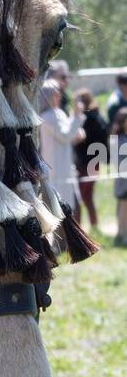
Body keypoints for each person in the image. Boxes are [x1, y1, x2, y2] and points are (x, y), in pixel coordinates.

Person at [38, 64, 84, 212]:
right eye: (56, 93)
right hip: (56, 167)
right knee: (61, 208)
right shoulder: (49, 116)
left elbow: (68, 132)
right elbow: (65, 135)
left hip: (63, 164)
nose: (59, 95)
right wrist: (76, 116)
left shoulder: (56, 114)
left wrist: (74, 120)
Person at [72, 89, 108, 230]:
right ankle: (94, 227)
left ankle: (78, 230)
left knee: (79, 197)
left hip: (87, 162)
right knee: (87, 197)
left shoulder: (88, 119)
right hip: (94, 161)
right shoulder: (96, 115)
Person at [114, 107, 127, 247]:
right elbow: (119, 162)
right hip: (124, 182)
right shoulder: (118, 140)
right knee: (123, 210)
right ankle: (122, 236)